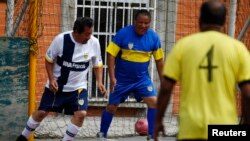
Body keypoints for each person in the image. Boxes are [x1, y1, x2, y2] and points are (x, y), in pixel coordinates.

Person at [154, 0, 250, 141]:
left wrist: (158, 120)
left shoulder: (183, 46)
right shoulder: (238, 49)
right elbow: (248, 94)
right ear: (224, 22)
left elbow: (166, 87)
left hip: (190, 128)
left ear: (200, 20)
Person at [16, 17, 107, 141]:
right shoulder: (60, 40)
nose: (89, 37)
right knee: (42, 113)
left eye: (91, 33)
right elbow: (49, 60)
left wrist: (100, 81)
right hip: (56, 86)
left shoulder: (94, 42)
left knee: (81, 114)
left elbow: (97, 64)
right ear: (76, 32)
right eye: (86, 34)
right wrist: (51, 79)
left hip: (78, 88)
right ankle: (22, 137)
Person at [97, 9, 164, 140]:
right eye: (140, 22)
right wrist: (112, 78)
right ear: (134, 22)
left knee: (154, 102)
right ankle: (102, 134)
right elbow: (111, 54)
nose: (143, 26)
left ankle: (152, 135)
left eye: (146, 23)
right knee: (112, 107)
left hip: (142, 80)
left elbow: (159, 61)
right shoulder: (123, 34)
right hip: (122, 80)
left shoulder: (154, 37)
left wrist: (164, 82)